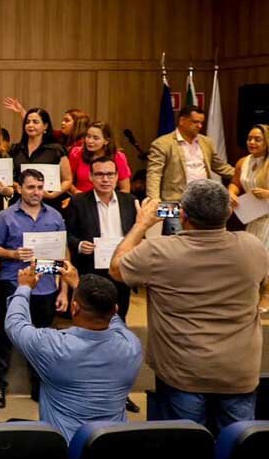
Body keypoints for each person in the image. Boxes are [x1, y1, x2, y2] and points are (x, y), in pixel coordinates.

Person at [111, 179, 269, 435]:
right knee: (237, 452)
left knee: (185, 455)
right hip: (238, 372)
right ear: (229, 212)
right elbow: (261, 288)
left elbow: (116, 268)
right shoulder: (253, 248)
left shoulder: (159, 250)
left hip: (183, 373)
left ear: (183, 215)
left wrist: (142, 224)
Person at [6, 261, 142, 441]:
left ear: (74, 307)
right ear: (115, 309)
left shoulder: (53, 346)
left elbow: (15, 324)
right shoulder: (131, 345)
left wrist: (24, 287)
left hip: (66, 454)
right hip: (112, 449)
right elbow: (114, 320)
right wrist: (78, 284)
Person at [0, 168, 69, 408]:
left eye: (39, 187)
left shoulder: (54, 216)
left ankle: (39, 385)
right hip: (14, 284)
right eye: (31, 187)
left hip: (46, 286)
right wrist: (13, 254)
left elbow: (63, 253)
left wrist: (64, 290)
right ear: (20, 189)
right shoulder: (6, 216)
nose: (36, 192)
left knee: (43, 339)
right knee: (6, 336)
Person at [66, 157, 138, 319]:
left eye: (110, 174)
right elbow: (67, 234)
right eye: (99, 174)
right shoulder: (78, 202)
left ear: (117, 176)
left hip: (121, 269)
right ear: (90, 177)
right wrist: (79, 245)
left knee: (119, 317)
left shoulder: (130, 201)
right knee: (92, 317)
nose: (105, 179)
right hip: (91, 270)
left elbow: (138, 233)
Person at [146, 105, 234, 234]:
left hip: (203, 202)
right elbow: (154, 173)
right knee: (175, 239)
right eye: (195, 122)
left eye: (201, 122)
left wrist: (244, 176)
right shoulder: (162, 143)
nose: (199, 126)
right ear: (182, 121)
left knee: (205, 239)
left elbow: (220, 166)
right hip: (173, 202)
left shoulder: (206, 142)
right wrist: (154, 199)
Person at [228, 124, 269, 311]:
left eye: (257, 139)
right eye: (249, 138)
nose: (251, 142)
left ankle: (267, 296)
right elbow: (235, 183)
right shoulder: (243, 162)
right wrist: (232, 192)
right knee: (255, 257)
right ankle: (253, 294)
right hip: (253, 217)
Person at [9, 108, 72, 208]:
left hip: (48, 203)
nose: (30, 125)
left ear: (45, 126)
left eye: (35, 122)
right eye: (27, 122)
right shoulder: (15, 149)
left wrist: (53, 195)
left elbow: (67, 180)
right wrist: (17, 186)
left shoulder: (56, 149)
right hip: (20, 203)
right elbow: (8, 176)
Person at [67, 121, 132, 195]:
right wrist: (76, 192)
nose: (90, 141)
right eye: (88, 136)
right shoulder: (77, 153)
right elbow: (67, 180)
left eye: (95, 138)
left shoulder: (118, 157)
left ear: (106, 141)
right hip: (81, 198)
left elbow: (125, 189)